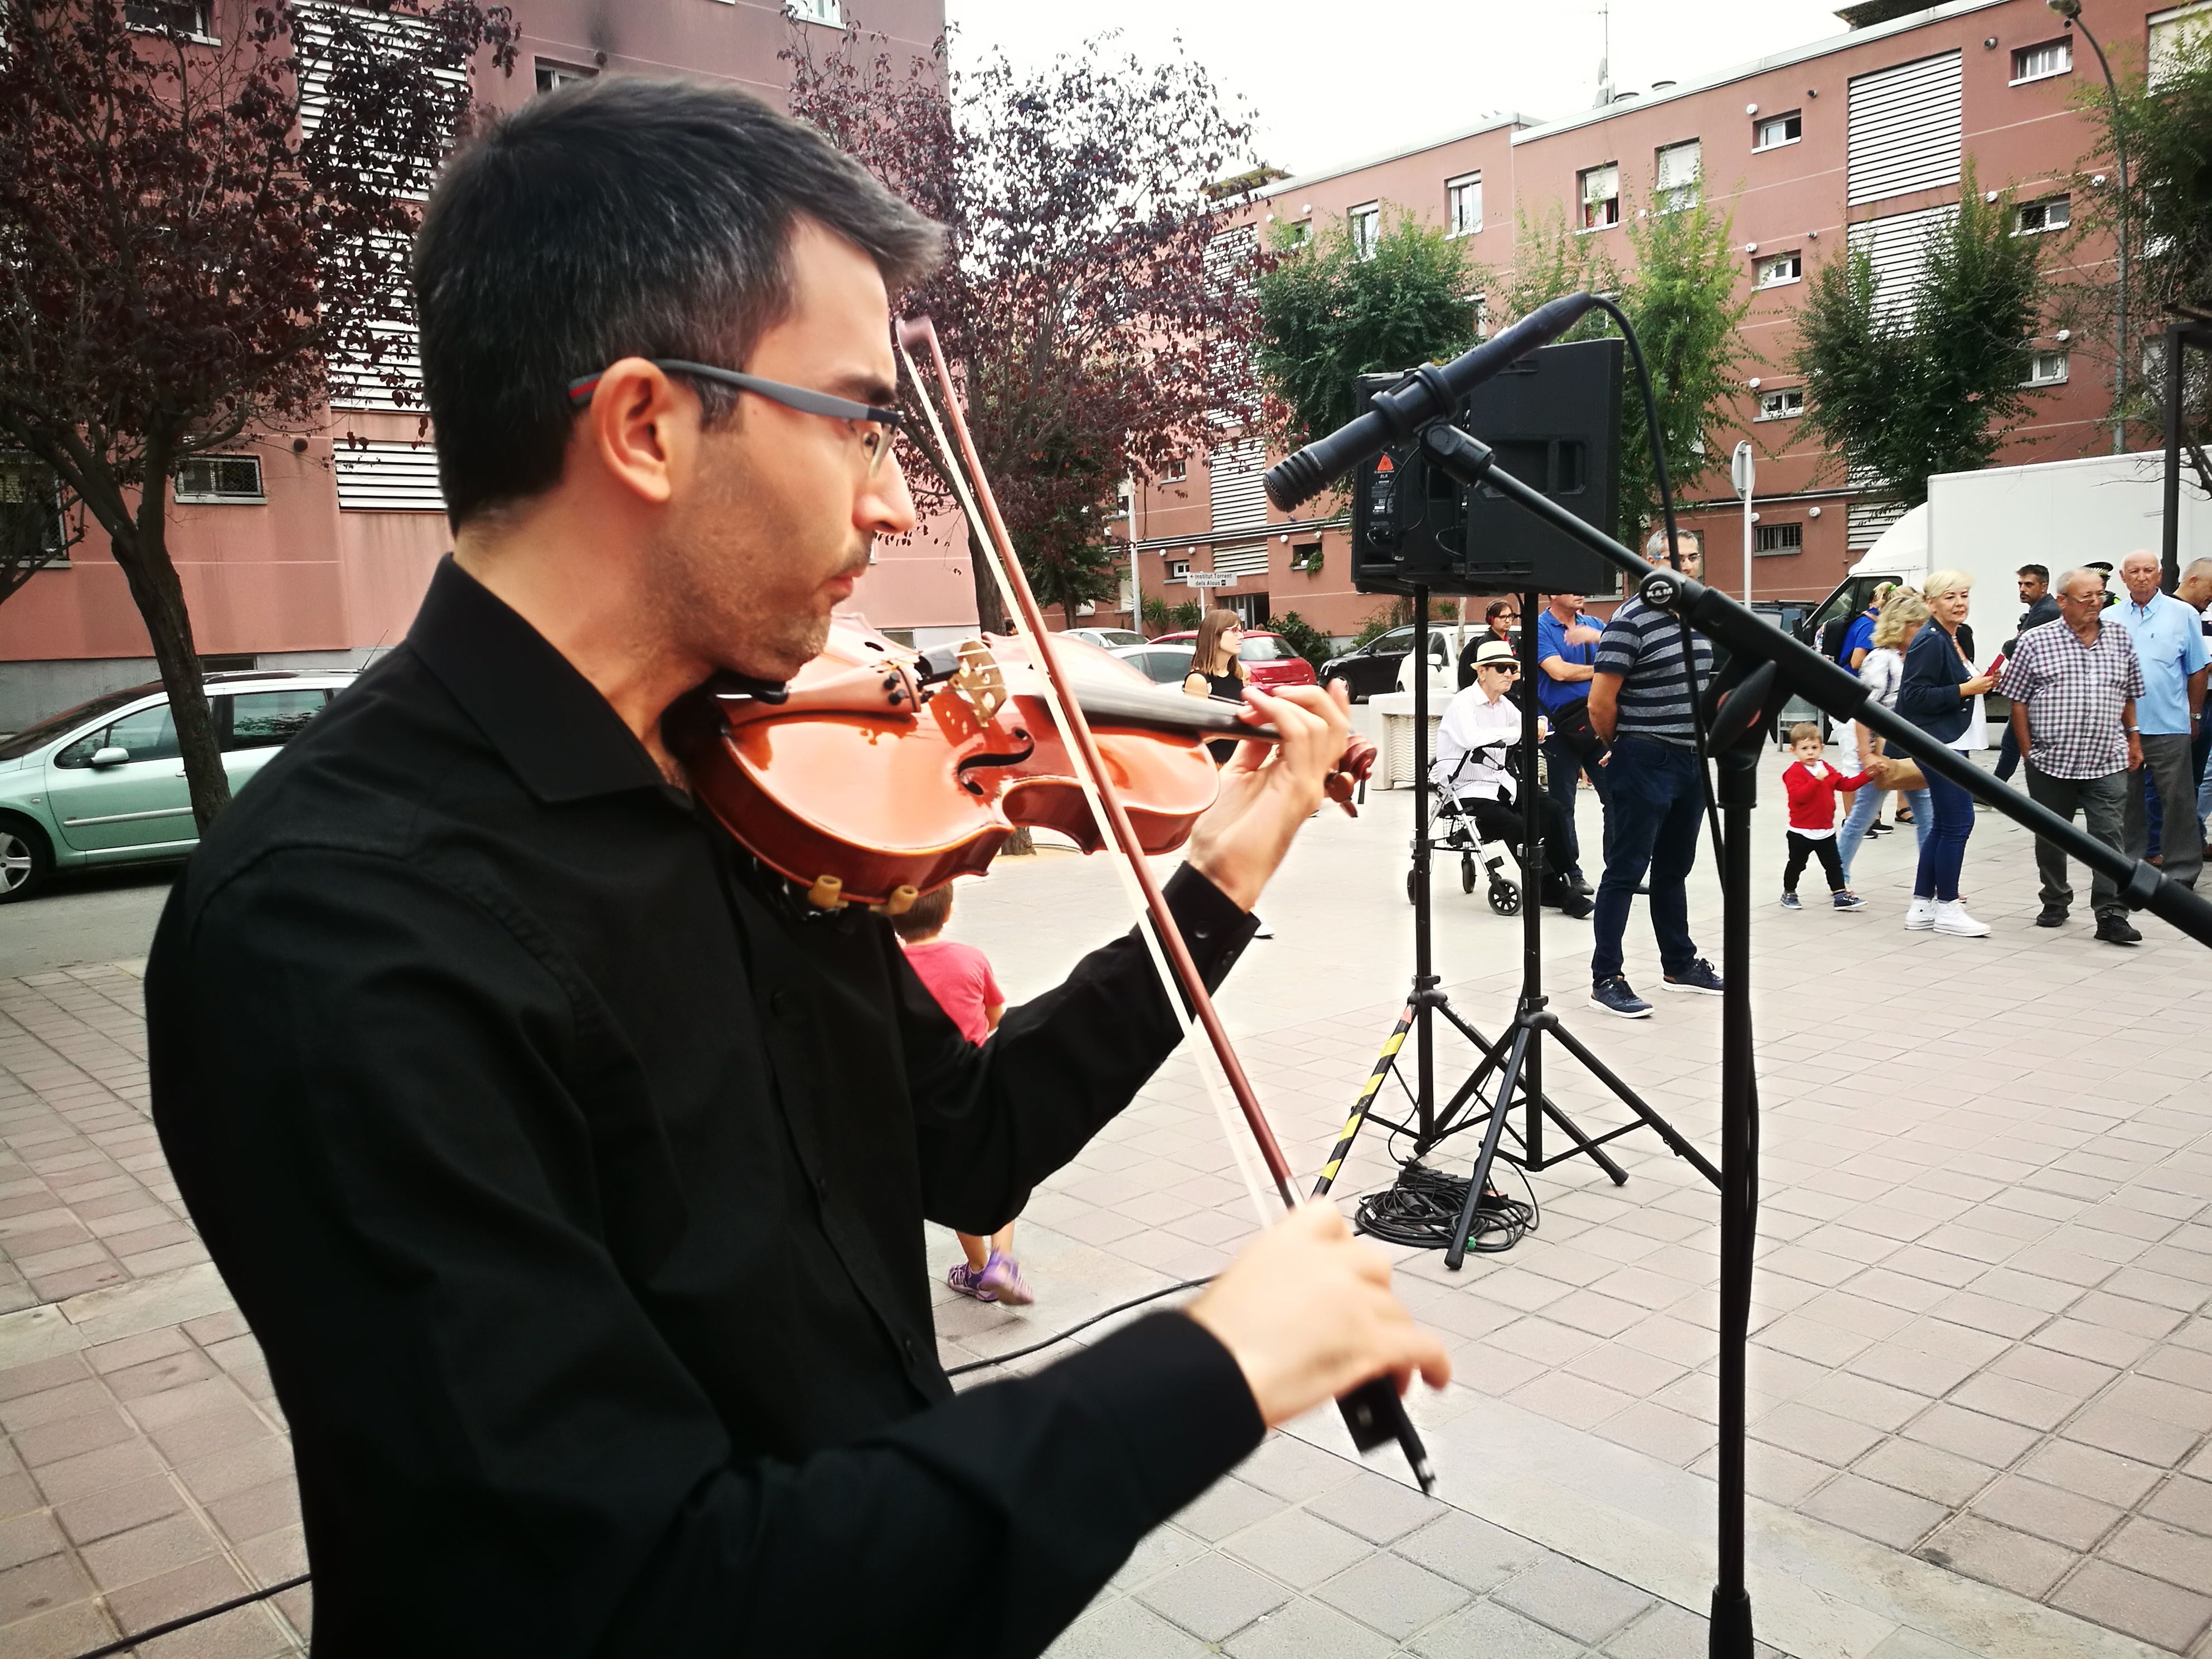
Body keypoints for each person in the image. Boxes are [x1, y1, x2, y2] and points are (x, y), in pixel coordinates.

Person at [140, 79, 1448, 1656]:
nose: (896, 500)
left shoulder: (755, 792)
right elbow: (642, 1603)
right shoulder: (337, 930)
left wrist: (1226, 868)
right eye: (854, 419)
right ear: (643, 424)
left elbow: (966, 1146)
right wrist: (1205, 1371)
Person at [1584, 530, 1721, 1020]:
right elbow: (1600, 702)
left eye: (1692, 557)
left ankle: (1679, 964)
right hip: (1645, 758)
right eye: (1675, 558)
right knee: (1625, 870)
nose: (1686, 566)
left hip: (1690, 760)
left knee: (1674, 869)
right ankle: (1607, 977)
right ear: (1651, 563)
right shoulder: (1631, 620)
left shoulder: (1701, 617)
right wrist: (1619, 747)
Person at [890, 885, 1027, 1300]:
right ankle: (1002, 1261)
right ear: (948, 912)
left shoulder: (889, 969)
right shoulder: (971, 958)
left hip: (928, 1094)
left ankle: (979, 1269)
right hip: (981, 1084)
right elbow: (996, 1016)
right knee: (1000, 1173)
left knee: (956, 1180)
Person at [1996, 567, 2145, 944]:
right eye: (2087, 597)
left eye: (2101, 595)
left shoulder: (2120, 638)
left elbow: (2128, 693)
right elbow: (2018, 700)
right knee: (2051, 835)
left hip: (2106, 757)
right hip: (2050, 760)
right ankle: (2056, 898)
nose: (2096, 603)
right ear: (2062, 601)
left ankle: (2111, 913)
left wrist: (2133, 738)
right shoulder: (2036, 641)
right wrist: (2028, 751)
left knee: (2109, 837)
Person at [1432, 639, 1594, 918]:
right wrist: (1520, 733)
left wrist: (1540, 724)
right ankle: (1551, 889)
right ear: (1482, 671)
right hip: (1464, 788)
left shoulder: (1504, 705)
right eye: (1502, 668)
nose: (1509, 674)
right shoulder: (1463, 704)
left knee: (1552, 809)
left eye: (1512, 668)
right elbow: (1473, 739)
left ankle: (1569, 875)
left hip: (1498, 783)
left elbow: (1530, 725)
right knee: (1517, 824)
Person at [1896, 570, 2000, 936]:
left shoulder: (1949, 637)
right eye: (1950, 597)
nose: (1960, 603)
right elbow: (1915, 695)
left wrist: (1974, 686)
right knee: (1958, 823)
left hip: (1951, 742)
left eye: (1964, 596)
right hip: (1941, 744)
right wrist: (1966, 689)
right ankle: (1948, 908)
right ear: (1931, 603)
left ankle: (1923, 905)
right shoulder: (1932, 639)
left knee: (1944, 823)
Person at [2107, 550, 2208, 889]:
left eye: (2148, 570)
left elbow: (2197, 670)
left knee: (2178, 801)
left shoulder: (2183, 614)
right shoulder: (2109, 617)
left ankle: (2182, 874)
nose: (2141, 577)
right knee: (2127, 803)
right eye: (2133, 571)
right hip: (2121, 728)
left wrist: (2194, 714)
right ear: (2123, 578)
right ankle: (2131, 871)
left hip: (2169, 723)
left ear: (2160, 574)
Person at [1837, 590, 1933, 885]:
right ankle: (1837, 875)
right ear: (1900, 625)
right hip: (1885, 750)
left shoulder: (1917, 656)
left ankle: (1937, 879)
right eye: (1917, 624)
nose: (1923, 629)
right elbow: (1864, 711)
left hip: (1914, 749)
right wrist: (1867, 755)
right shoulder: (1881, 659)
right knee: (1860, 819)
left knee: (1929, 820)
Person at [1534, 589, 1611, 894]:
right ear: (1552, 594)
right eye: (1571, 588)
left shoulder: (1593, 623)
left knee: (1616, 797)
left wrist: (1597, 638)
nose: (1581, 593)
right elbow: (1559, 672)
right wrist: (1601, 669)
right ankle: (1571, 873)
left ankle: (1618, 871)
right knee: (1563, 804)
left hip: (1598, 722)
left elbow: (1627, 655)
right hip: (1560, 728)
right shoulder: (1540, 627)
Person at [1779, 722, 1867, 911]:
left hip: (1825, 830)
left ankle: (1840, 895)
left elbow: (1845, 784)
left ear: (1822, 748)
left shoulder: (1824, 768)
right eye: (1804, 749)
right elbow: (1799, 797)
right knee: (1797, 864)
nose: (1810, 753)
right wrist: (1817, 780)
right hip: (1800, 832)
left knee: (1834, 865)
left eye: (1814, 748)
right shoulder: (1793, 773)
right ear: (1793, 750)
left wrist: (1869, 775)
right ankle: (1789, 892)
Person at [1832, 581, 1897, 832]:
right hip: (1848, 699)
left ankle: (1870, 818)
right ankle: (1853, 821)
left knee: (1867, 758)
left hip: (1854, 699)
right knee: (1853, 760)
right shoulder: (1869, 625)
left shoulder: (1867, 622)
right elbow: (1857, 660)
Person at [1993, 565, 2060, 784]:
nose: (2022, 589)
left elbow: (2018, 650)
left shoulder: (2046, 612)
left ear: (2044, 587)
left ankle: (1994, 788)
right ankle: (1995, 787)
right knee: (2014, 741)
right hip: (2036, 688)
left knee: (2014, 741)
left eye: (2028, 585)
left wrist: (2008, 645)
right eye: (2020, 584)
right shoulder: (2040, 609)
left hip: (2038, 690)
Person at [1182, 608, 1250, 764]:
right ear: (1215, 634)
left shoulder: (1240, 674)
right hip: (1212, 767)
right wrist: (1233, 730)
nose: (1241, 636)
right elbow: (1193, 737)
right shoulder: (1198, 680)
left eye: (1241, 630)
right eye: (1234, 630)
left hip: (1238, 765)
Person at [2180, 556, 2212, 834]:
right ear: (2194, 581)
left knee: (2197, 777)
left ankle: (2194, 837)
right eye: (2211, 588)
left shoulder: (2202, 617)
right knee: (2183, 779)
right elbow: (2198, 664)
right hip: (2184, 708)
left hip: (2203, 705)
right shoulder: (2175, 614)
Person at [1456, 598, 1519, 687]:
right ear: (1491, 619)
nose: (1508, 621)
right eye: (1503, 617)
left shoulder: (1514, 640)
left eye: (1510, 616)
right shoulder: (1483, 643)